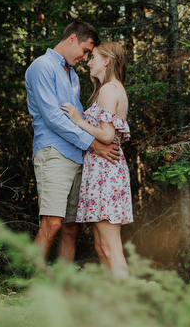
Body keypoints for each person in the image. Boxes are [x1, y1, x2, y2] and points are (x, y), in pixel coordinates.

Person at [25, 21, 121, 262]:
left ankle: (63, 289)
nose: (85, 57)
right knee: (52, 224)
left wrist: (98, 139)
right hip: (53, 153)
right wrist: (94, 144)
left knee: (71, 228)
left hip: (78, 156)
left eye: (90, 54)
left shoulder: (73, 77)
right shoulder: (42, 67)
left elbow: (77, 118)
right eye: (86, 50)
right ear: (72, 39)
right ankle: (32, 287)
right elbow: (53, 117)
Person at [61, 42, 133, 277]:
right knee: (101, 247)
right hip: (101, 170)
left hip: (106, 171)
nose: (89, 62)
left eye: (93, 57)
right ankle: (113, 303)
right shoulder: (111, 89)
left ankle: (129, 305)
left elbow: (107, 135)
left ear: (106, 61)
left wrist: (77, 119)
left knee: (111, 247)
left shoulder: (109, 90)